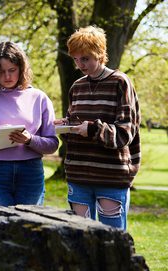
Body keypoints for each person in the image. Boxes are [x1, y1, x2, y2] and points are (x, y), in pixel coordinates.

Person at [53, 26, 141, 230]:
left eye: (85, 58)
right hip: (78, 175)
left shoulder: (120, 82)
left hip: (111, 176)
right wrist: (66, 126)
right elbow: (76, 129)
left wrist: (93, 130)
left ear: (101, 54)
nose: (80, 64)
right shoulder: (77, 87)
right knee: (80, 241)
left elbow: (125, 133)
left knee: (113, 241)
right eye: (76, 59)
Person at [0, 41, 59, 212]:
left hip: (31, 171)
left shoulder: (40, 98)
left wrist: (30, 140)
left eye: (12, 70)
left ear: (21, 68)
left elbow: (52, 144)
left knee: (29, 230)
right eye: (1, 72)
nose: (7, 76)